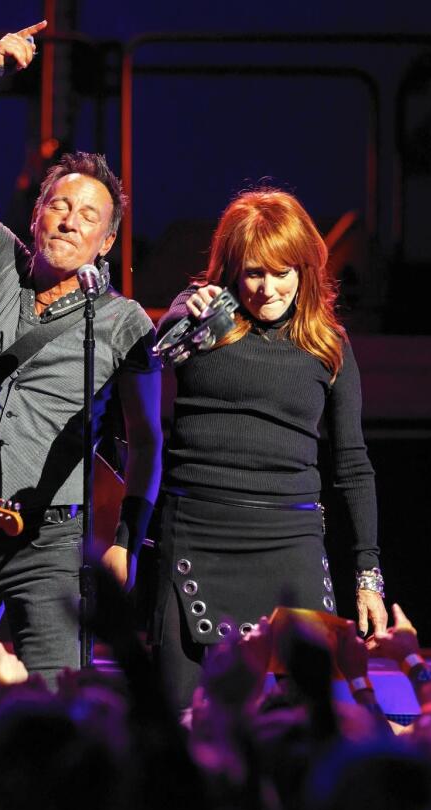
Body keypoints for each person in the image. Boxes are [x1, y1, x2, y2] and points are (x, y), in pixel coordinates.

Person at [0, 20, 162, 684]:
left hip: (53, 537)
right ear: (35, 216)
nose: (68, 219)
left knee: (57, 693)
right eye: (59, 204)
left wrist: (125, 544)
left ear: (107, 242)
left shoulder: (123, 321)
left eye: (89, 215)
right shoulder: (1, 266)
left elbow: (145, 442)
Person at [152, 188, 389, 709]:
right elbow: (150, 360)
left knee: (306, 731)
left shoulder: (329, 345)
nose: (268, 288)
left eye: (283, 272)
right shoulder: (199, 321)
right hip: (198, 536)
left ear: (305, 269)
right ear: (232, 270)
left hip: (291, 545)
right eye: (254, 272)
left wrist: (368, 576)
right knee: (176, 722)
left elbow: (352, 465)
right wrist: (179, 313)